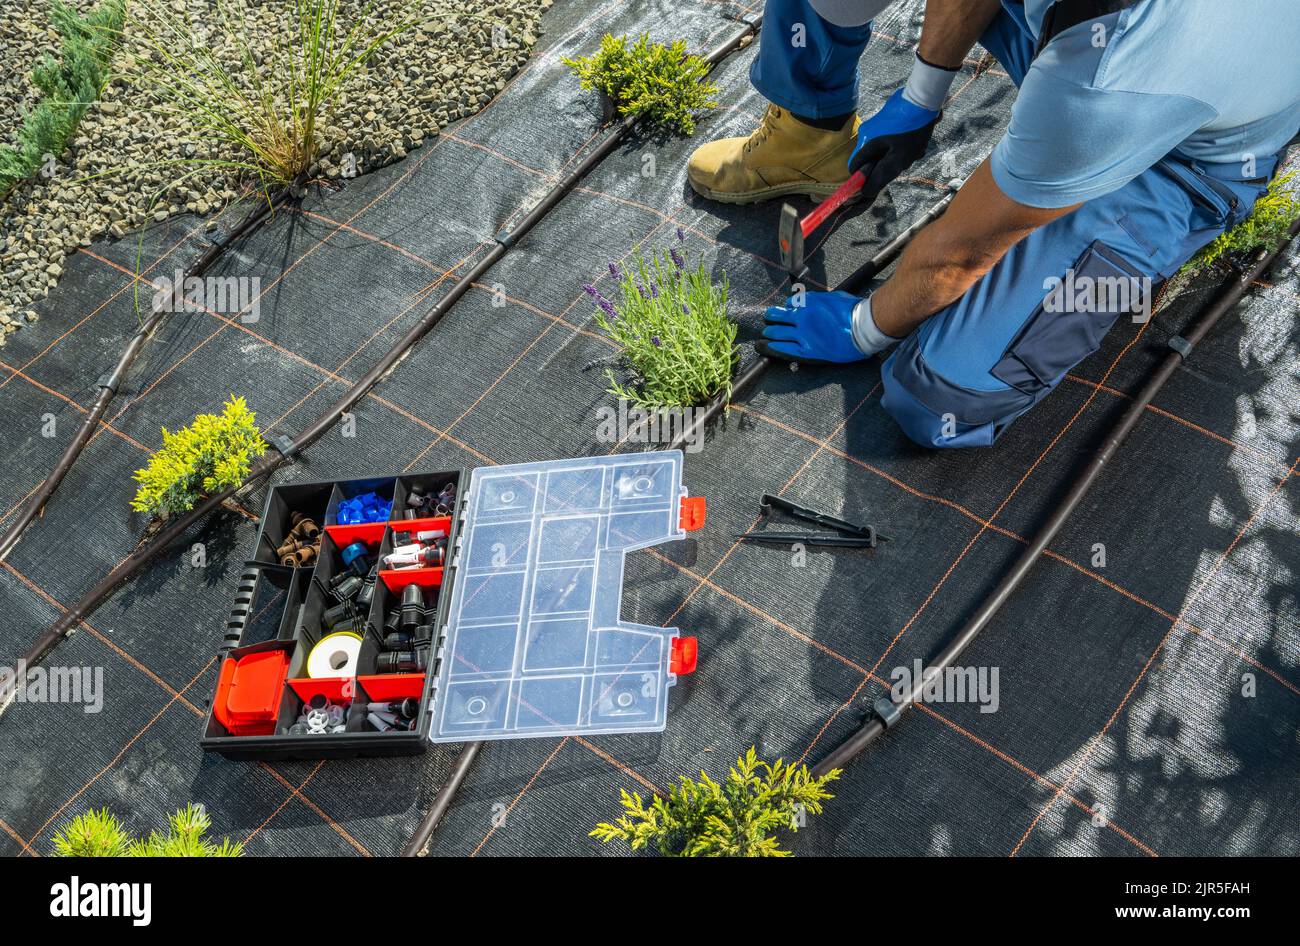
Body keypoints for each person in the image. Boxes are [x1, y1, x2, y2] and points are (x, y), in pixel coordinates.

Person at [687, 0, 1300, 447]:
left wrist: (862, 326)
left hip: (1183, 159)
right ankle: (809, 133)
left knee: (937, 398)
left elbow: (962, 251)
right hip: (1093, 47)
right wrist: (921, 95)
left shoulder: (1116, 75)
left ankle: (1082, 222)